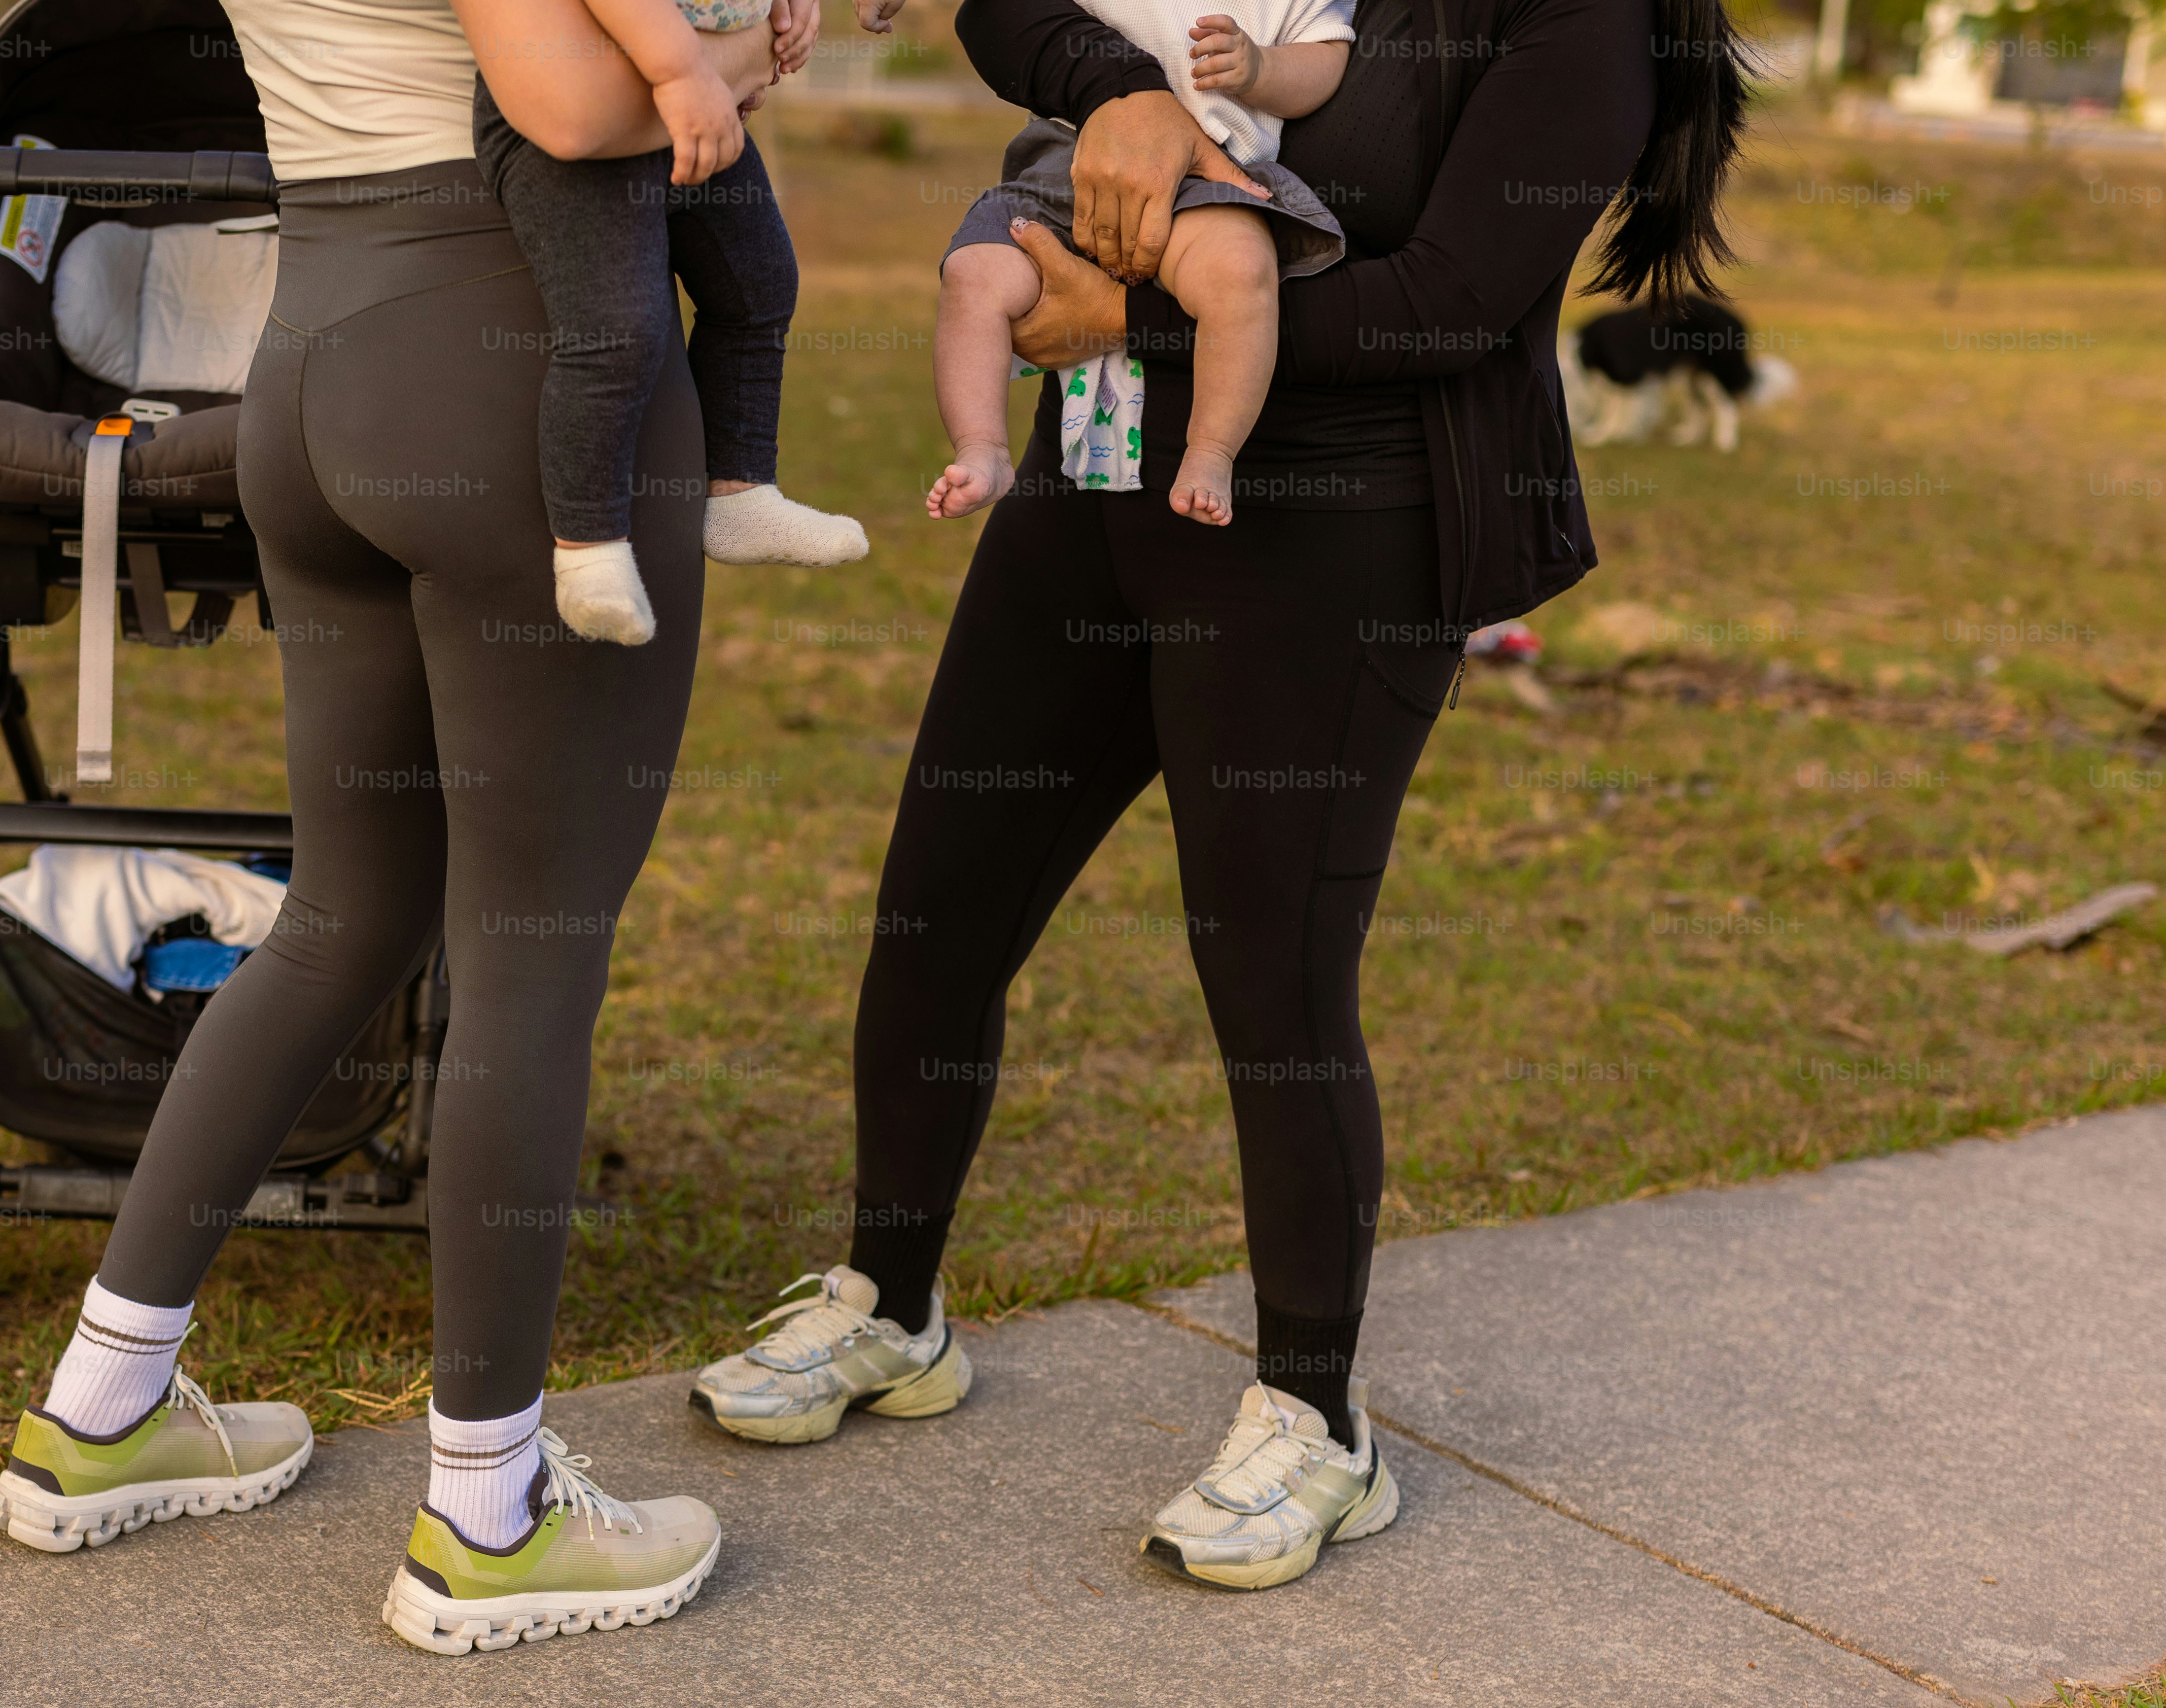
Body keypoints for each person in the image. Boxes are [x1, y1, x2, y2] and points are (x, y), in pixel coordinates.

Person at [694, 0, 1752, 1591]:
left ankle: (1319, 1421)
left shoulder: (1577, 23)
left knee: (1270, 974)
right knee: (942, 903)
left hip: (1342, 524)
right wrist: (1119, 93)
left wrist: (1133, 322)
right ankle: (892, 1307)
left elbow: (1449, 301)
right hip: (1106, 470)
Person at [0, 0, 786, 1656]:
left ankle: (105, 1405)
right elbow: (568, 108)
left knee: (343, 920)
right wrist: (753, 56)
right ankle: (491, 1517)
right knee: (530, 965)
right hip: (499, 367)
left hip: (320, 360)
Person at [477, 0, 869, 645]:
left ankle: (742, 491)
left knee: (759, 286)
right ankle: (589, 550)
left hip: (697, 102)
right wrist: (687, 72)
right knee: (617, 329)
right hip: (600, 107)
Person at [928, 0, 1354, 524]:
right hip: (1070, 153)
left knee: (1240, 274)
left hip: (1208, 177)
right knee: (975, 271)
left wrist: (1263, 69)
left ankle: (1211, 453)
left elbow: (1326, 60)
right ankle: (982, 447)